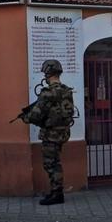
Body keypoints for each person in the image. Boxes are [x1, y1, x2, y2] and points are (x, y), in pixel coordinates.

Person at [20, 59, 74, 205]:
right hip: (63, 133)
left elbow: (36, 115)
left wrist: (25, 117)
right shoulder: (66, 90)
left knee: (51, 164)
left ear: (48, 73)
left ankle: (57, 194)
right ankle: (56, 192)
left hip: (51, 134)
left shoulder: (47, 93)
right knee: (55, 162)